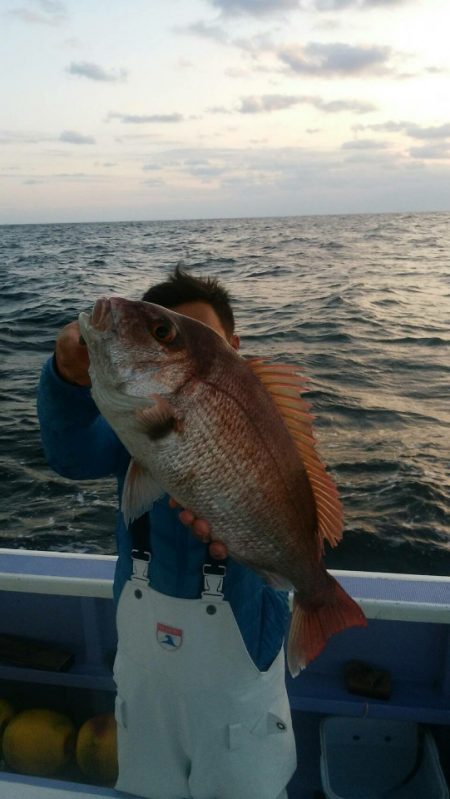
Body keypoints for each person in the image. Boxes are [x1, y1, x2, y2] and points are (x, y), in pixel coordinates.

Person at [37, 266, 296, 799]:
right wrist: (65, 379)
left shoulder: (267, 425)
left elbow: (286, 504)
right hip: (144, 650)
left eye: (172, 338)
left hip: (242, 638)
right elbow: (70, 454)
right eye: (161, 333)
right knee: (147, 782)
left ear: (232, 346)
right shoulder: (134, 420)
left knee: (242, 782)